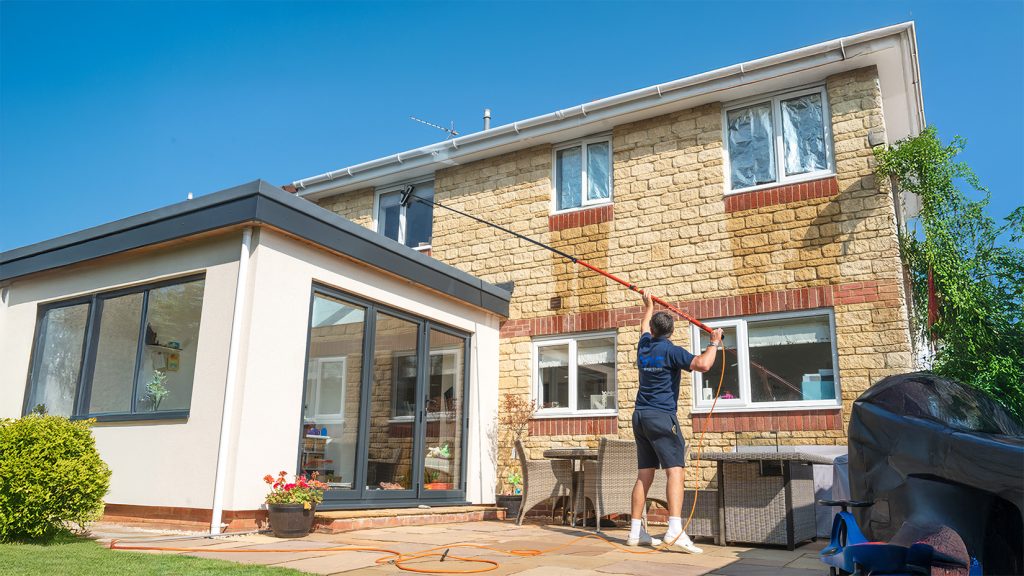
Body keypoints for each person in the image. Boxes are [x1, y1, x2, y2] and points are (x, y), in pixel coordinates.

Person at [627, 292, 722, 553]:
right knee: (675, 471)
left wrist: (648, 306)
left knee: (644, 474)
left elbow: (643, 326)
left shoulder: (644, 345)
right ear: (671, 331)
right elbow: (703, 365)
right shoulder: (671, 351)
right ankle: (674, 530)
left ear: (655, 330)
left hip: (640, 417)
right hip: (661, 417)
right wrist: (713, 342)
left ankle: (635, 533)